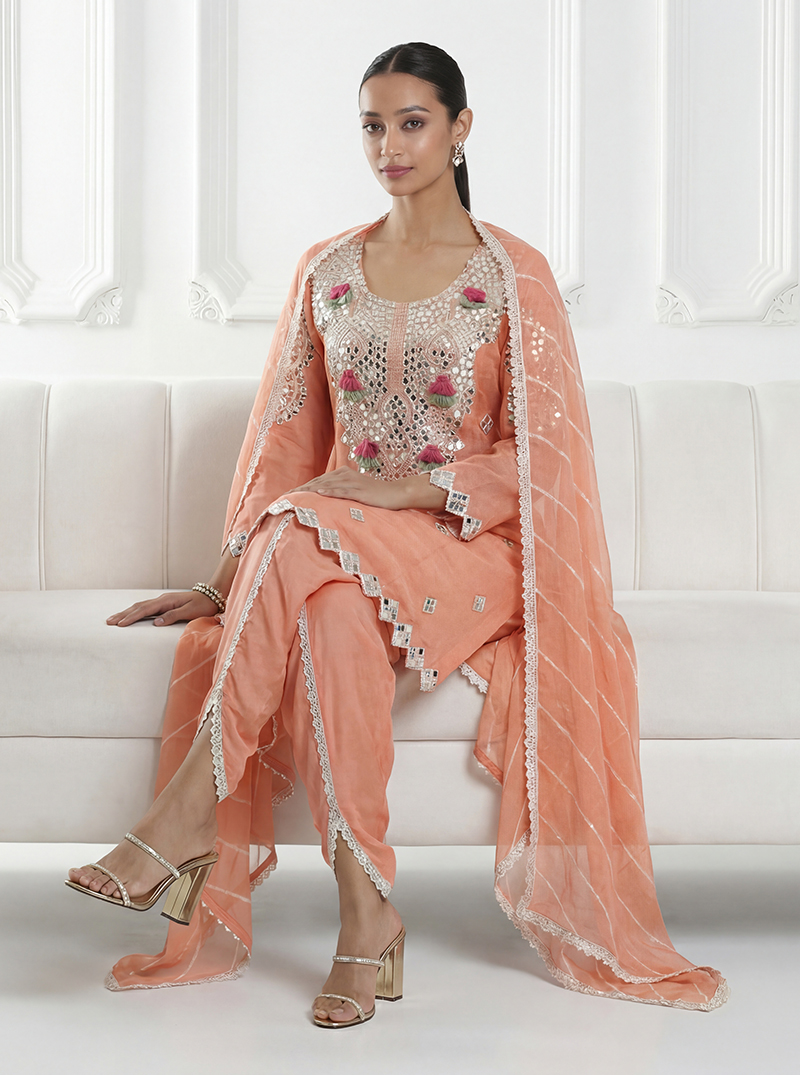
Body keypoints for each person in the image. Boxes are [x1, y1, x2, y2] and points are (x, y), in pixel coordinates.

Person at [67, 42, 728, 1024]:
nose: (390, 145)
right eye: (373, 126)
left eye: (412, 122)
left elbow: (543, 460)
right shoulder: (326, 269)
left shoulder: (514, 276)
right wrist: (223, 579)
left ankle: (187, 809)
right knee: (329, 613)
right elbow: (285, 443)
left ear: (460, 129)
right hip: (339, 548)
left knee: (305, 524)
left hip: (473, 549)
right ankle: (364, 919)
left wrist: (406, 488)